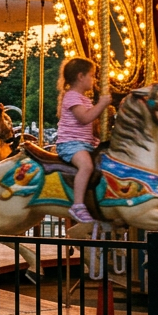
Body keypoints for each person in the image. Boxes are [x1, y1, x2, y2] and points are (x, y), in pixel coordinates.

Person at [57, 57, 111, 223]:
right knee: (86, 166)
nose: (93, 80)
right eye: (91, 75)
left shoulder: (84, 99)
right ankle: (78, 205)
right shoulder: (72, 96)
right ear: (81, 76)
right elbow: (84, 118)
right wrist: (101, 104)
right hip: (70, 144)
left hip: (85, 143)